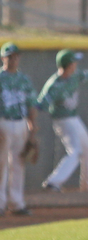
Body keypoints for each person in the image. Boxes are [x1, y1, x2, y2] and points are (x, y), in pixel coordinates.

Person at [38, 49, 88, 192]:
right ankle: (53, 182)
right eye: (74, 62)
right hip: (62, 120)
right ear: (69, 65)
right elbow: (41, 105)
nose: (76, 64)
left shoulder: (74, 76)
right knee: (75, 151)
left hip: (74, 118)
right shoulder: (54, 85)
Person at [0, 42, 39, 217]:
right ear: (3, 58)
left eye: (16, 56)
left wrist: (32, 130)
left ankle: (16, 203)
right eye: (10, 56)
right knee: (1, 165)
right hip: (3, 122)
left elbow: (31, 105)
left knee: (19, 163)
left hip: (21, 123)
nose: (14, 59)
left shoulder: (24, 80)